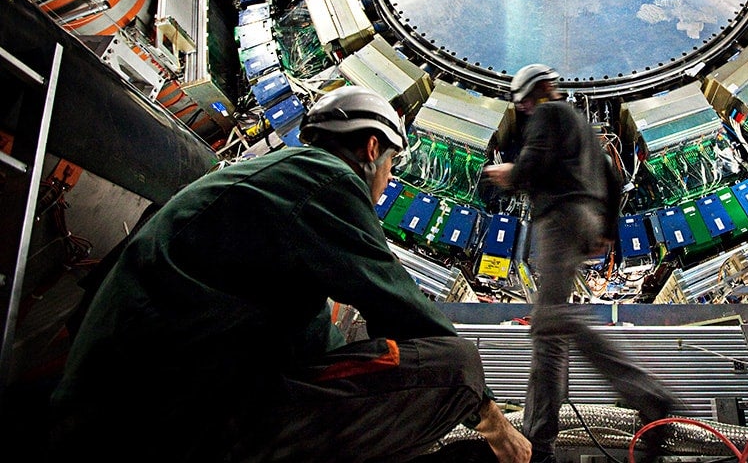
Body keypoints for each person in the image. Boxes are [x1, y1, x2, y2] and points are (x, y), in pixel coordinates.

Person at [48, 86, 530, 463]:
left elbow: (312, 343)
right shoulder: (326, 181)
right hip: (168, 425)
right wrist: (492, 417)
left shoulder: (266, 177)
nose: (387, 184)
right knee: (456, 367)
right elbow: (403, 311)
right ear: (371, 147)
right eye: (390, 167)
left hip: (115, 414)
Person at [483, 64, 678, 463]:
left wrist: (509, 174)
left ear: (531, 96)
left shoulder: (547, 114)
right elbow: (613, 180)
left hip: (560, 219)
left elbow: (534, 165)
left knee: (552, 319)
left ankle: (651, 396)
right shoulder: (583, 127)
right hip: (583, 218)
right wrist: (606, 228)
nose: (524, 109)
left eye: (523, 103)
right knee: (548, 336)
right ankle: (540, 440)